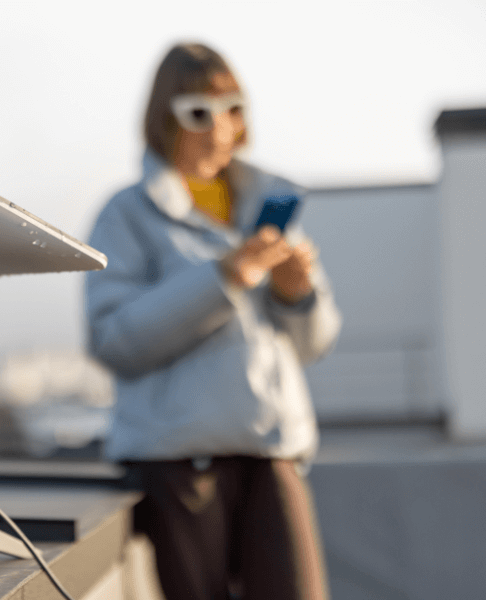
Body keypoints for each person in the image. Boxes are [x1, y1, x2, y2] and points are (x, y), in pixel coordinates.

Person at [84, 43, 342, 600]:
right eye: (199, 111)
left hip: (272, 453)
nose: (220, 127)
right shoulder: (126, 214)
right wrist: (223, 279)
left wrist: (299, 297)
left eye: (233, 109)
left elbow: (314, 344)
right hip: (179, 465)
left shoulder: (268, 203)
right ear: (164, 117)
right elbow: (114, 341)